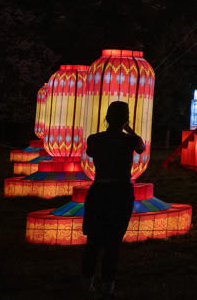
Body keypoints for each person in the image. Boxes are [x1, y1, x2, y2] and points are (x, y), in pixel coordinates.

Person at [81, 101, 146, 297]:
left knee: (93, 240)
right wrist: (128, 129)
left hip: (99, 190)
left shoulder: (94, 139)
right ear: (125, 119)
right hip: (121, 191)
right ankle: (108, 286)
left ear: (107, 117)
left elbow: (90, 153)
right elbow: (142, 147)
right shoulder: (130, 141)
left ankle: (86, 284)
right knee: (113, 241)